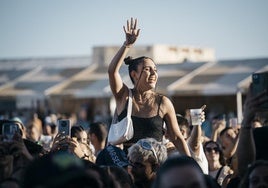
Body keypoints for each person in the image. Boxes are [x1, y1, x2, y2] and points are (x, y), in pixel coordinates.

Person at [108, 17, 190, 156]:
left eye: (155, 70)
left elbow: (176, 138)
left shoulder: (163, 102)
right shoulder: (124, 96)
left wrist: (191, 163)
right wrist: (127, 45)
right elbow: (112, 71)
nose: (153, 73)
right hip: (128, 166)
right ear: (134, 74)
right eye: (147, 69)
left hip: (155, 167)